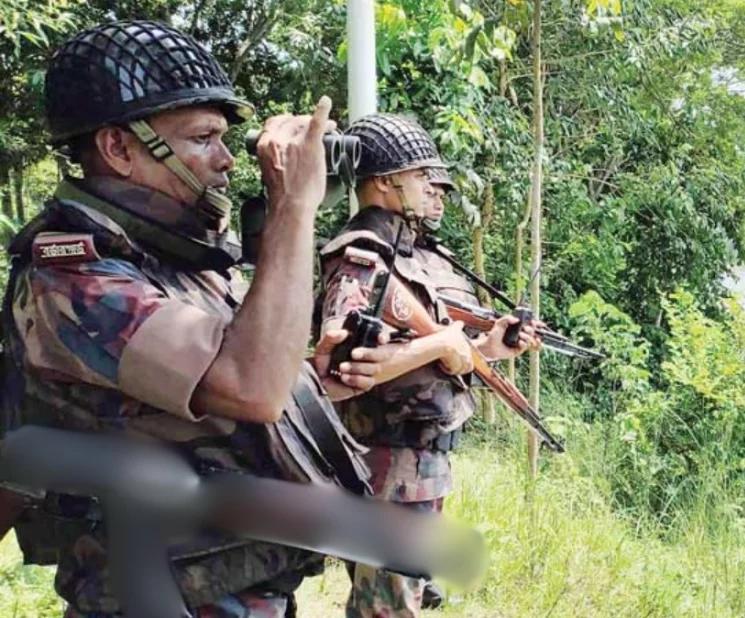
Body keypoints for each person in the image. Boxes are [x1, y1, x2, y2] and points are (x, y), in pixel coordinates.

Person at [0, 19, 393, 617]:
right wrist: (293, 207)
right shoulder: (72, 275)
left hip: (236, 584)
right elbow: (250, 387)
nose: (229, 160)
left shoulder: (173, 258)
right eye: (205, 138)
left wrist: (312, 372)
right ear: (119, 148)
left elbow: (234, 392)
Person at [317, 113, 540, 618]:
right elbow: (342, 371)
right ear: (385, 182)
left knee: (405, 602)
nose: (434, 189)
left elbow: (431, 354)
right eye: (423, 177)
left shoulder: (412, 254)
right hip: (385, 465)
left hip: (420, 465)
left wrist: (490, 347)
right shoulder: (362, 255)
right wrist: (440, 344)